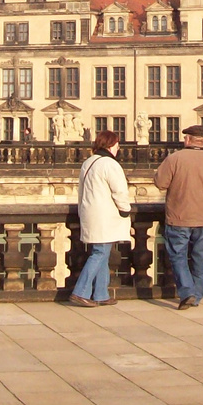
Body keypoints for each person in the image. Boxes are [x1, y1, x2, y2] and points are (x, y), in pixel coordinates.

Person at [154, 124, 203, 310]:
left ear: (187, 139)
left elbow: (160, 183)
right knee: (200, 258)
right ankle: (196, 295)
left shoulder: (175, 159)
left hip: (179, 216)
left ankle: (187, 292)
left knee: (178, 256)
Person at [70, 130, 132, 308]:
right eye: (117, 144)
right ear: (111, 145)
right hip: (104, 215)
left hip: (90, 213)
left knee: (102, 252)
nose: (118, 147)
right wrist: (125, 210)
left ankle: (100, 293)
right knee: (100, 253)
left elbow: (81, 191)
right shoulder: (110, 164)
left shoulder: (88, 162)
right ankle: (80, 292)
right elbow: (119, 191)